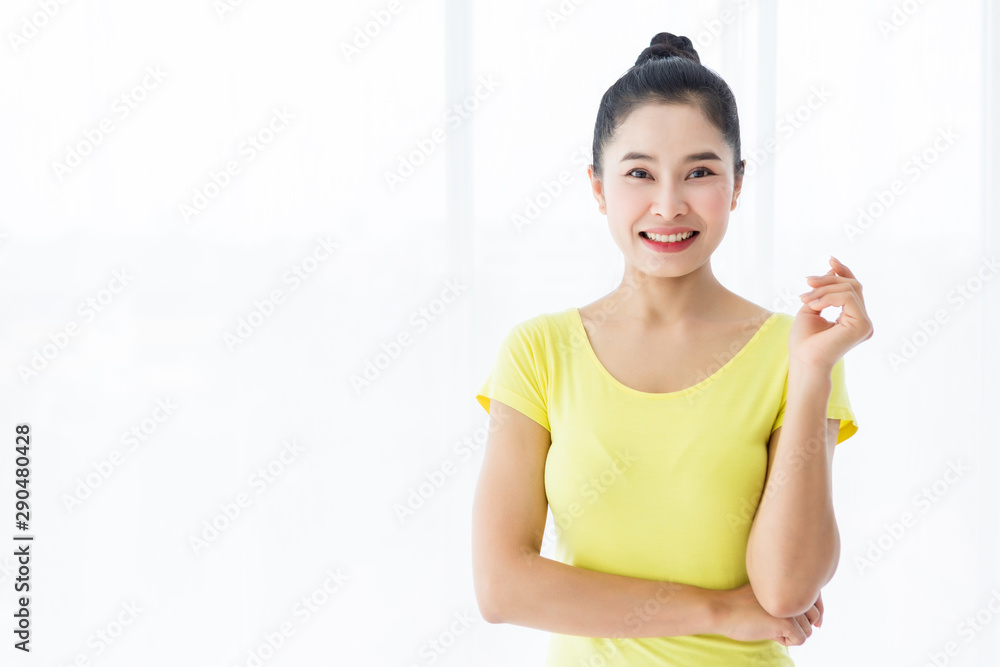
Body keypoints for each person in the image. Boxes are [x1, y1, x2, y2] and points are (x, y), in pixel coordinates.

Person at [471, 31, 874, 666]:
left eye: (700, 172)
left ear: (736, 185)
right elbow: (501, 586)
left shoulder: (791, 353)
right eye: (638, 173)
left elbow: (788, 589)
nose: (667, 205)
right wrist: (717, 612)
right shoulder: (538, 353)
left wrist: (814, 374)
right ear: (598, 187)